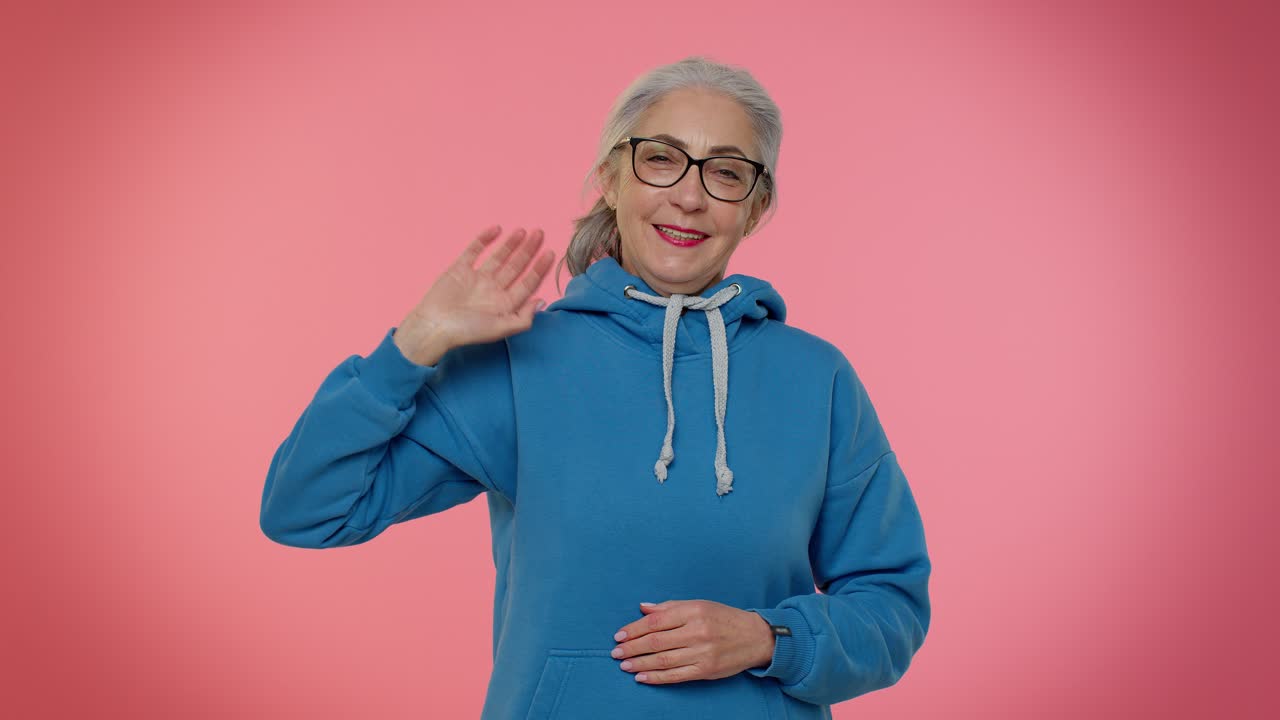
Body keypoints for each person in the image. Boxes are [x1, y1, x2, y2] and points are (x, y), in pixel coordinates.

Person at [260, 56, 931, 720]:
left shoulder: (818, 378)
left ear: (754, 210)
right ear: (611, 179)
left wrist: (769, 639)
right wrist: (413, 343)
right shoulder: (521, 365)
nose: (690, 196)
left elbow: (892, 605)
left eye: (726, 172)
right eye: (662, 159)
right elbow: (307, 509)